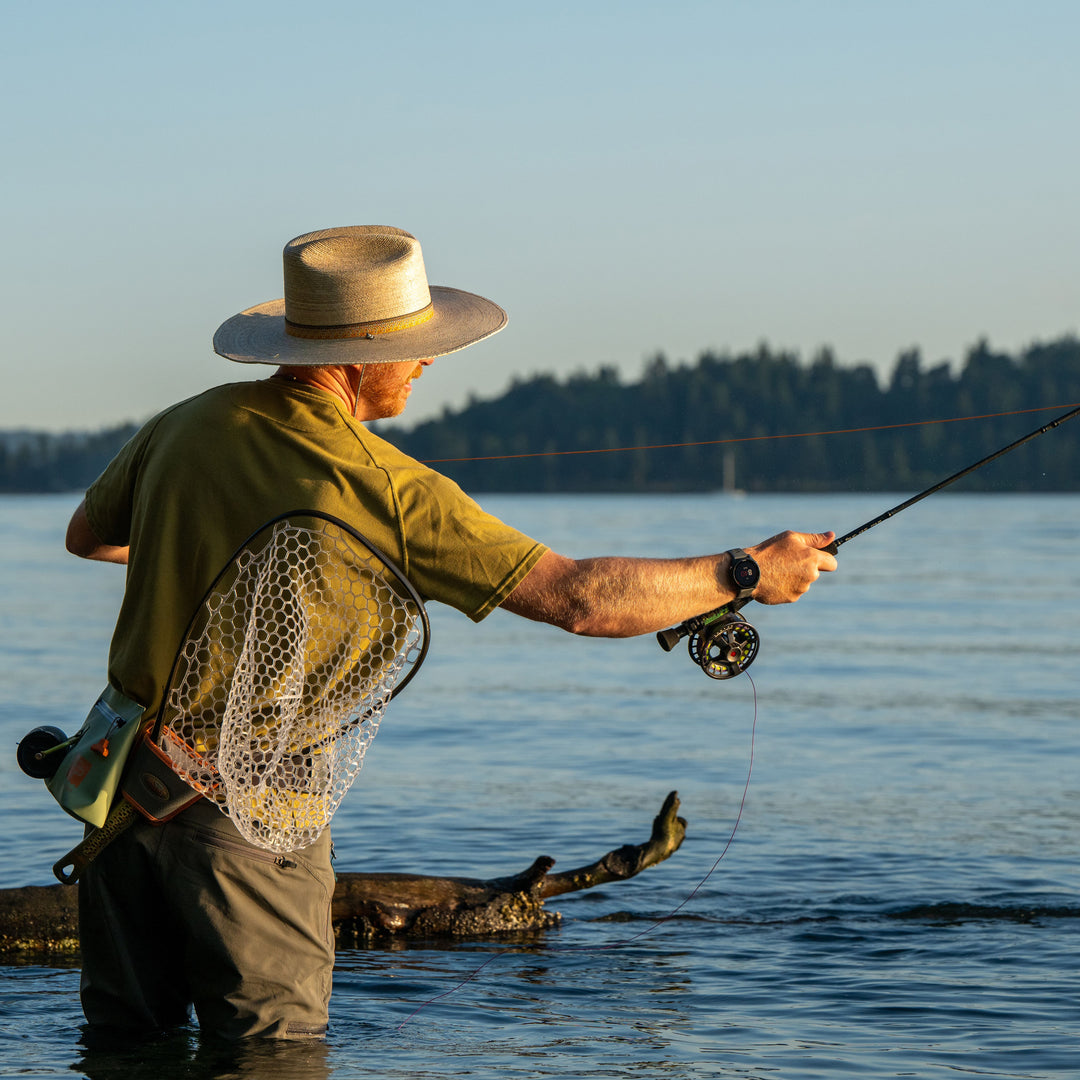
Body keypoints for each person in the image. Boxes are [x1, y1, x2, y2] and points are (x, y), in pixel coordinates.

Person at [65, 225, 836, 1041]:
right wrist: (743, 572)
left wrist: (245, 558)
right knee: (273, 1061)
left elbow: (90, 534)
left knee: (124, 1053)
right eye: (416, 344)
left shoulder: (183, 426)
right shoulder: (393, 490)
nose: (430, 360)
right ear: (360, 354)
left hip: (118, 806)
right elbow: (579, 599)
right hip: (250, 826)